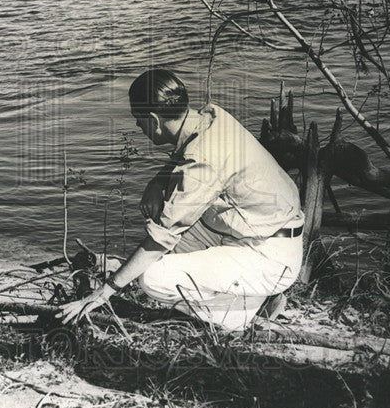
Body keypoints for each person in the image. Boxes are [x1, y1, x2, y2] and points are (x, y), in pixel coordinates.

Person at [56, 68, 304, 332]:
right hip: (265, 232)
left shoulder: (202, 164)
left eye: (138, 119)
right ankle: (247, 297)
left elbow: (161, 237)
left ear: (153, 119)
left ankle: (246, 304)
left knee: (151, 277)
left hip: (270, 257)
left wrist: (105, 292)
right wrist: (159, 180)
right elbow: (193, 153)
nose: (138, 127)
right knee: (169, 231)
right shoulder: (211, 116)